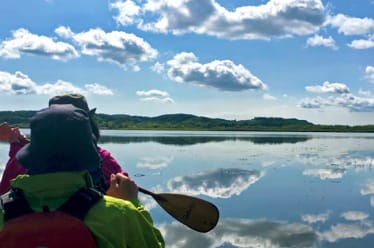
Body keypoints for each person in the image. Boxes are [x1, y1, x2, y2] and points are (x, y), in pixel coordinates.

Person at [0, 104, 165, 247]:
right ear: (89, 157)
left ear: (30, 157)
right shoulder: (121, 214)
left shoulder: (3, 210)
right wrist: (132, 203)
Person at [0, 93, 127, 195]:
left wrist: (16, 147)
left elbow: (4, 191)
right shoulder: (102, 158)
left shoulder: (21, 161)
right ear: (87, 126)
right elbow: (126, 189)